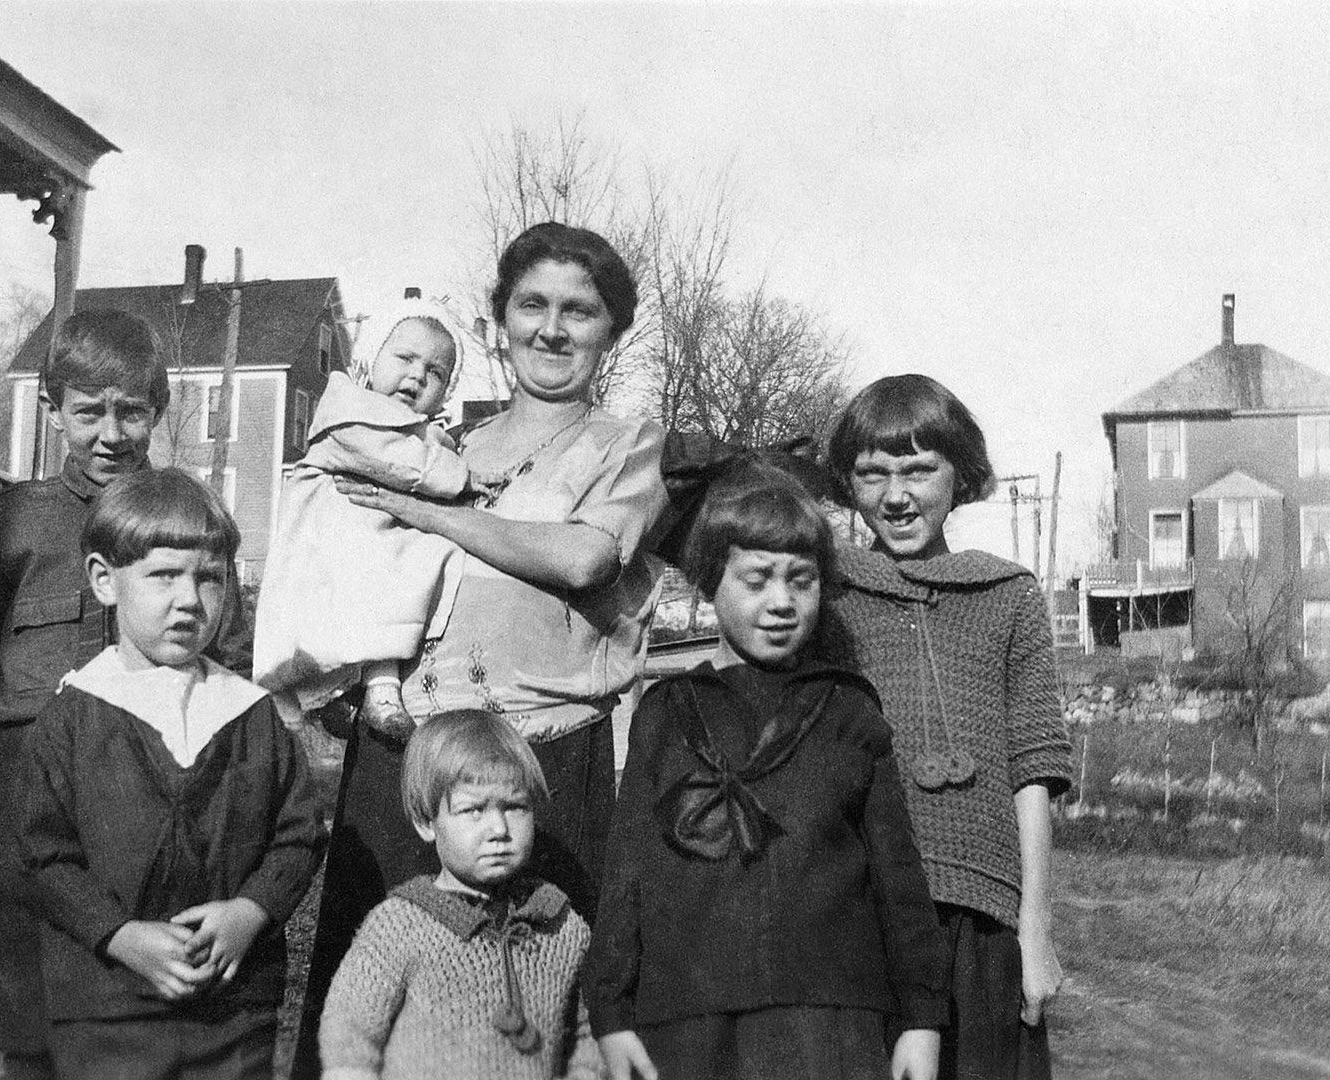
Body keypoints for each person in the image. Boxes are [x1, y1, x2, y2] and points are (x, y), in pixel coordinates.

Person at [290, 222, 668, 1080]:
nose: (553, 328)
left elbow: (584, 557)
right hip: (407, 757)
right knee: (367, 1011)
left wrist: (431, 514)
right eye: (532, 305)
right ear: (501, 320)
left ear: (611, 330)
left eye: (581, 311)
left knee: (525, 1021)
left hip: (540, 769)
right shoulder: (443, 441)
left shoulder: (625, 445)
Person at [588, 462, 946, 1080]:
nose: (781, 602)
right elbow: (628, 871)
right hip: (686, 1019)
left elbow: (898, 879)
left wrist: (922, 1019)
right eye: (757, 580)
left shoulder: (848, 711)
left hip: (828, 1020)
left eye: (801, 581)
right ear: (709, 583)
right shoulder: (667, 714)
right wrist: (612, 1013)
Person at [19, 468, 328, 1080]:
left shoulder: (250, 712)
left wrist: (251, 912)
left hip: (234, 1012)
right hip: (107, 1010)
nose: (189, 599)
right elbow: (42, 856)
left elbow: (298, 835)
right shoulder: (73, 716)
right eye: (163, 575)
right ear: (106, 581)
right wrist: (119, 934)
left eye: (209, 578)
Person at [0, 308, 168, 1080]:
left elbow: (225, 656)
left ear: (156, 413)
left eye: (130, 411)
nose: (110, 433)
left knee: (125, 927)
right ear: (54, 411)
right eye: (88, 411)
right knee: (12, 924)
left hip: (138, 760)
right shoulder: (18, 514)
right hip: (17, 762)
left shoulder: (180, 517)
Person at [821, 374, 1075, 1080]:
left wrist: (1036, 931)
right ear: (847, 484)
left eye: (919, 469)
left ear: (960, 474)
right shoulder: (825, 596)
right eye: (872, 474)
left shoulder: (1009, 597)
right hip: (859, 913)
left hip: (981, 922)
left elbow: (1034, 771)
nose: (896, 496)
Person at [318, 710, 601, 1080]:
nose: (499, 828)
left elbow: (588, 1029)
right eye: (473, 810)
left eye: (515, 807)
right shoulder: (401, 925)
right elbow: (350, 1024)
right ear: (425, 822)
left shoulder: (559, 923)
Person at [254, 298, 489, 737]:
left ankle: (375, 692)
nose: (417, 375)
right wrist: (462, 475)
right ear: (370, 361)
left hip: (371, 531)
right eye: (404, 358)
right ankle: (320, 695)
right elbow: (397, 462)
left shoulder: (422, 432)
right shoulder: (350, 410)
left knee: (409, 568)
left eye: (435, 372)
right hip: (329, 531)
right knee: (330, 614)